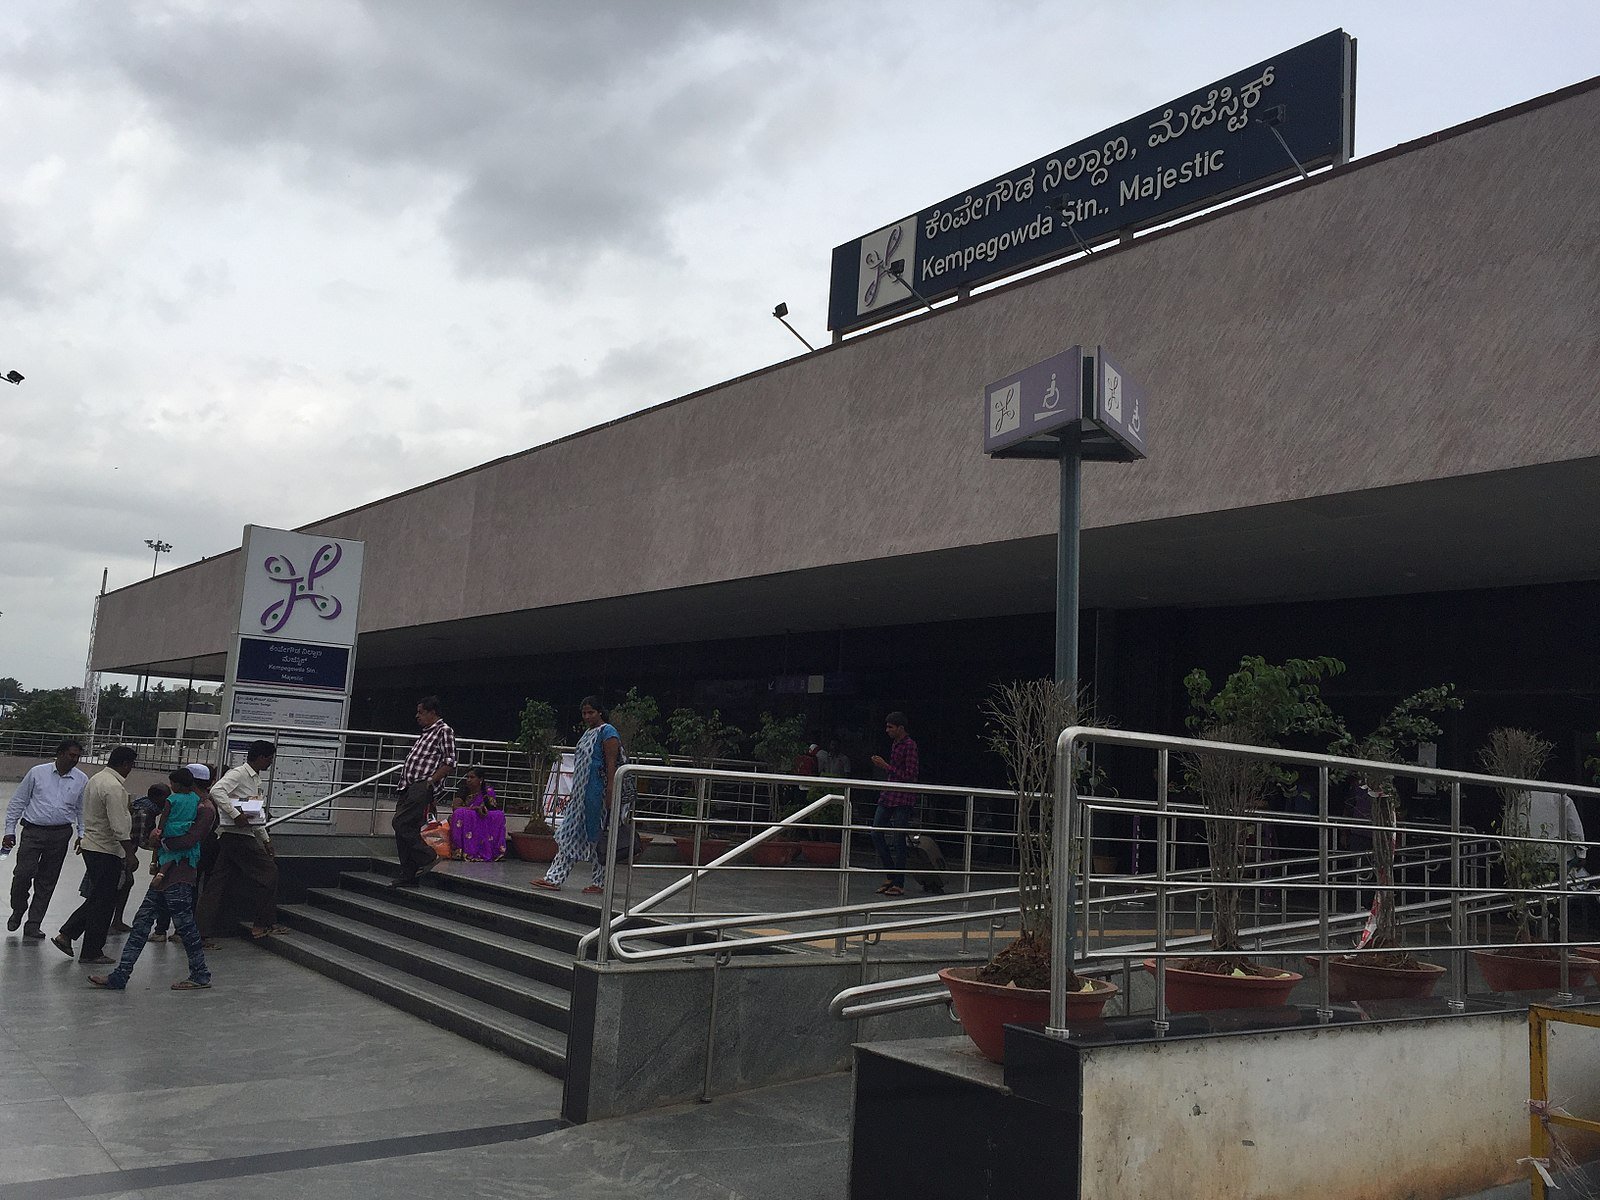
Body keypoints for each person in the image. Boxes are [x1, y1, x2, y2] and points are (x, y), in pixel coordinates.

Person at [90, 774, 216, 992]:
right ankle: (121, 975)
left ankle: (200, 973)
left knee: (183, 926)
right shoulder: (195, 806)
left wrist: (161, 841)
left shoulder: (204, 810)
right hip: (169, 874)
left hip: (178, 874)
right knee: (144, 922)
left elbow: (188, 840)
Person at [50, 746, 139, 963]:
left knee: (100, 897)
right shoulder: (113, 787)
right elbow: (118, 825)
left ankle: (67, 934)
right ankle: (91, 951)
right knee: (103, 902)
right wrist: (130, 853)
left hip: (93, 846)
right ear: (126, 764)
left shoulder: (98, 779)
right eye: (131, 765)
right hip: (106, 850)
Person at [199, 742, 287, 940]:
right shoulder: (239, 774)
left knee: (217, 884)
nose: (271, 763)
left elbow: (254, 813)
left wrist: (265, 839)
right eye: (269, 759)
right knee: (269, 873)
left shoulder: (254, 780)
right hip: (238, 836)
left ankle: (201, 931)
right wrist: (234, 814)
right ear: (260, 757)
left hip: (235, 836)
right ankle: (262, 924)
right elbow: (217, 791)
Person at [533, 697, 620, 895]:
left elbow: (611, 764)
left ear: (600, 712)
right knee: (569, 834)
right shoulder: (589, 733)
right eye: (584, 713)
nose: (587, 716)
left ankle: (600, 882)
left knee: (597, 836)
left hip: (596, 793)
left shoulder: (608, 732)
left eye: (591, 712)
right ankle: (554, 878)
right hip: (580, 794)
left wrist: (610, 792)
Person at [4, 739, 89, 938]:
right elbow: (18, 802)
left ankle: (34, 923)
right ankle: (18, 908)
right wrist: (9, 830)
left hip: (60, 834)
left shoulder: (81, 779)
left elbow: (81, 809)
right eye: (71, 755)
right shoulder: (37, 773)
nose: (75, 759)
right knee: (23, 874)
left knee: (47, 880)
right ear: (60, 754)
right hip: (33, 831)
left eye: (77, 756)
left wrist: (82, 834)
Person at [391, 696, 457, 888]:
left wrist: (430, 782)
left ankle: (428, 856)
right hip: (408, 786)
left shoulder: (443, 731)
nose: (417, 716)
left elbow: (450, 761)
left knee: (400, 822)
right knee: (405, 828)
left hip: (421, 786)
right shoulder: (426, 733)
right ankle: (408, 873)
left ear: (432, 712)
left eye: (421, 712)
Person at [869, 711, 920, 896]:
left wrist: (886, 767)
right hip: (889, 795)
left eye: (891, 727)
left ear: (900, 728)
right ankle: (891, 874)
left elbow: (910, 775)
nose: (887, 730)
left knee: (899, 840)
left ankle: (898, 882)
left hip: (903, 798)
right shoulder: (895, 744)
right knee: (876, 832)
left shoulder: (909, 746)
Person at [116, 784, 172, 940]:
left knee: (123, 884)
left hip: (124, 851)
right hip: (124, 852)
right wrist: (163, 844)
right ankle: (115, 921)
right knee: (123, 884)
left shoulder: (145, 807)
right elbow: (141, 840)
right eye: (165, 798)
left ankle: (116, 920)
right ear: (156, 797)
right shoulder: (145, 813)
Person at [149, 768, 203, 891]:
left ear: (178, 785)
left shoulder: (172, 799)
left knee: (163, 849)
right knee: (177, 853)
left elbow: (164, 816)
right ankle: (162, 873)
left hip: (171, 828)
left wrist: (160, 830)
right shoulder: (195, 798)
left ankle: (156, 867)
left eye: (172, 783)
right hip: (185, 828)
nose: (171, 786)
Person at [449, 766, 507, 862]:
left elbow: (491, 810)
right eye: (467, 777)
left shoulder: (487, 792)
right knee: (459, 813)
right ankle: (461, 852)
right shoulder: (463, 790)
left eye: (472, 777)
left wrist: (481, 811)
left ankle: (494, 851)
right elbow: (455, 807)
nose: (468, 780)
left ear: (480, 779)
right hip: (466, 819)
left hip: (483, 818)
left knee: (499, 815)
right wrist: (474, 809)